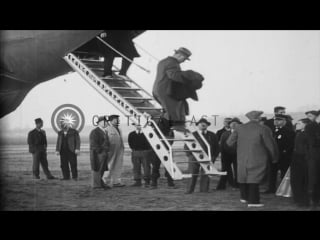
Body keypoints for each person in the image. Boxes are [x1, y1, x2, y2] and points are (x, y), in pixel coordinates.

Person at [227, 110, 278, 207]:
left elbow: (229, 142)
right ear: (258, 118)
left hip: (242, 157)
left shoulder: (239, 128)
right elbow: (270, 145)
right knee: (254, 177)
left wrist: (239, 149)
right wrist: (274, 157)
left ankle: (244, 197)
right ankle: (253, 201)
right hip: (257, 157)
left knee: (243, 176)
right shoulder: (263, 128)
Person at [152, 47, 192, 133]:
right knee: (179, 106)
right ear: (180, 56)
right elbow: (174, 76)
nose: (184, 61)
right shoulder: (173, 63)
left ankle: (163, 129)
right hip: (165, 91)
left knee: (169, 109)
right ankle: (177, 126)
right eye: (184, 59)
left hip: (157, 90)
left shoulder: (163, 61)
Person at [185, 118, 220, 194]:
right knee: (192, 173)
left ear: (207, 125)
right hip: (194, 157)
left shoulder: (212, 135)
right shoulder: (193, 134)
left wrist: (213, 156)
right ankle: (189, 190)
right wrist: (190, 156)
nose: (203, 124)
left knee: (206, 173)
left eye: (205, 123)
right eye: (201, 123)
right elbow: (186, 146)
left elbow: (217, 147)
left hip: (208, 158)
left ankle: (204, 190)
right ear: (197, 125)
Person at [264, 114, 295, 194]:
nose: (276, 121)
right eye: (275, 120)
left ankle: (283, 189)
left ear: (284, 121)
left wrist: (285, 152)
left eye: (279, 120)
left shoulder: (289, 131)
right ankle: (271, 189)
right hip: (273, 155)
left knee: (284, 173)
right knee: (272, 173)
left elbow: (290, 144)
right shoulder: (272, 130)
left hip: (284, 156)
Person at [290, 118, 312, 207]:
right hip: (299, 158)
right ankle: (299, 199)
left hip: (301, 159)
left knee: (300, 180)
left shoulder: (305, 134)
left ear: (305, 124)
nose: (297, 124)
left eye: (299, 123)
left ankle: (302, 200)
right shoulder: (300, 133)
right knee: (299, 180)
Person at [216, 118, 241, 190]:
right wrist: (221, 153)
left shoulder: (241, 134)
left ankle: (237, 185)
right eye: (232, 123)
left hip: (237, 154)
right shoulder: (225, 134)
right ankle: (222, 186)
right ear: (229, 125)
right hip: (226, 154)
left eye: (236, 123)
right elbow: (222, 145)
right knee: (225, 170)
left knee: (238, 170)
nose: (233, 124)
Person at [304, 110, 320, 209]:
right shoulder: (311, 126)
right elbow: (312, 142)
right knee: (315, 178)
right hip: (315, 156)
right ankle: (315, 200)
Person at [89, 116, 110, 189]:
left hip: (103, 153)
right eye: (104, 121)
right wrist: (100, 151)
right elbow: (94, 144)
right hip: (97, 154)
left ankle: (100, 183)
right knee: (97, 169)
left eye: (106, 122)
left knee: (102, 169)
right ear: (99, 123)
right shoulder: (95, 131)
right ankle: (96, 185)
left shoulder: (105, 131)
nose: (106, 123)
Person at [104, 115, 125, 187]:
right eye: (116, 119)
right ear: (111, 120)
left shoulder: (119, 129)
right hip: (111, 151)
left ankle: (116, 181)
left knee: (118, 165)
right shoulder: (107, 129)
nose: (117, 120)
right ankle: (104, 181)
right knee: (109, 165)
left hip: (119, 150)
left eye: (118, 119)